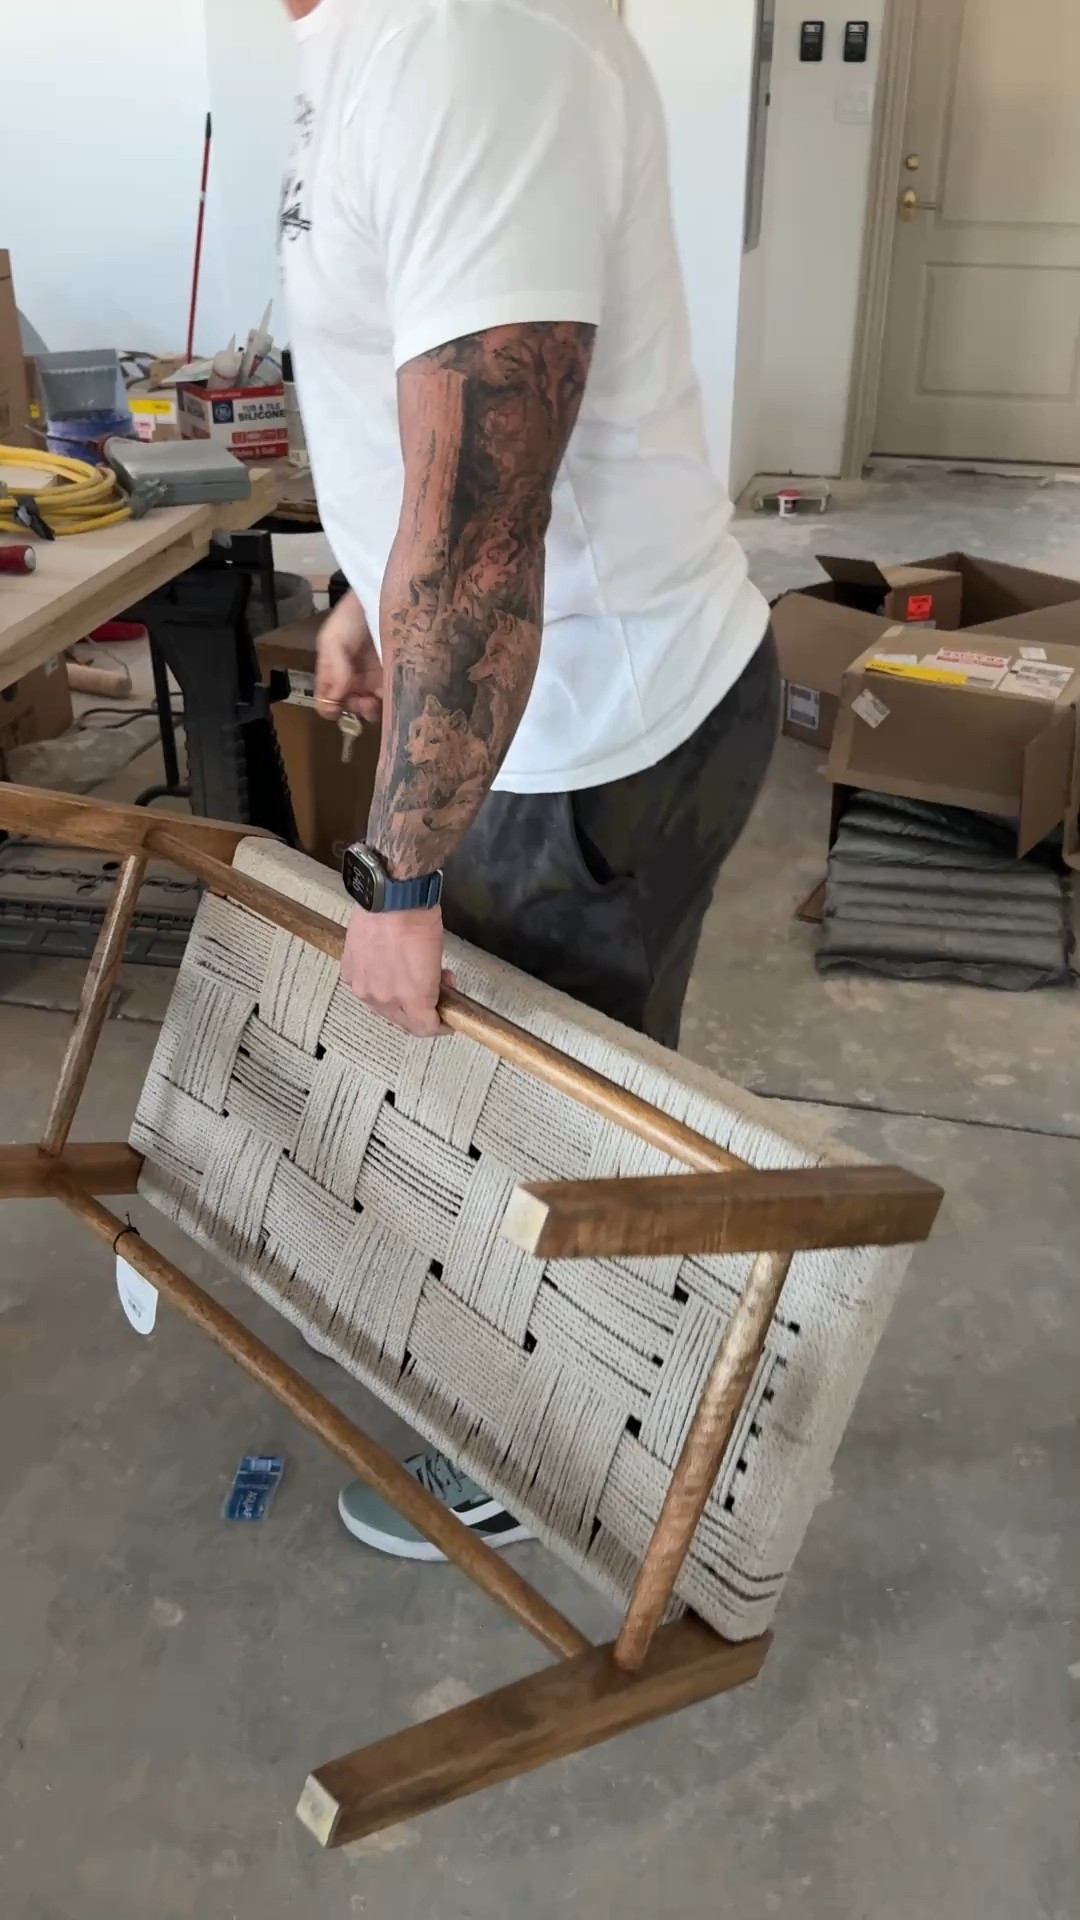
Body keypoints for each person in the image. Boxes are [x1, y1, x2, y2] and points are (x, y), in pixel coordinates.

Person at [280, 0, 779, 1558]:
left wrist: (398, 878)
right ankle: (595, 1386)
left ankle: (555, 1449)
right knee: (566, 1099)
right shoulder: (360, 37)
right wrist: (369, 591)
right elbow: (420, 407)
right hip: (547, 709)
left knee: (536, 1118)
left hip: (587, 736)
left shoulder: (463, 32)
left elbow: (490, 517)